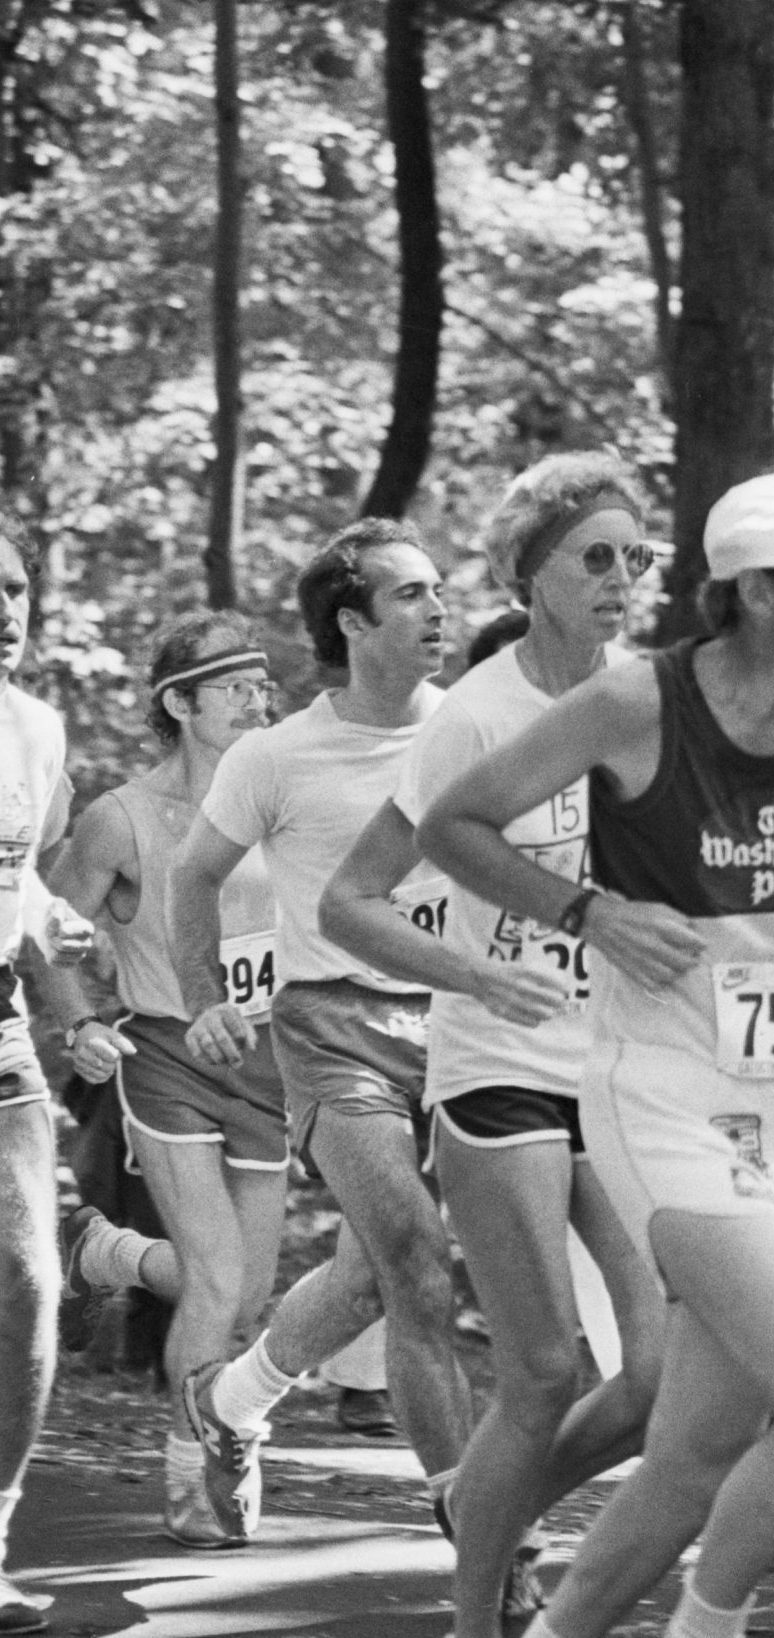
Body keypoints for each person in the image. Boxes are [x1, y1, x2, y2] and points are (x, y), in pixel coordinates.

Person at [417, 471, 774, 1638]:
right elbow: (450, 824)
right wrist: (588, 912)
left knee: (696, 1451)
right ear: (762, 593)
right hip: (663, 1104)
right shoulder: (636, 705)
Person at [319, 455, 670, 1638]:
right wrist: (474, 971)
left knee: (665, 1377)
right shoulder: (476, 713)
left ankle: (485, 1495)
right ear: (531, 577)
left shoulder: (649, 699)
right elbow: (351, 902)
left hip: (623, 1070)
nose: (625, 579)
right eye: (598, 558)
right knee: (546, 1371)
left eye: (639, 557)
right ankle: (479, 1623)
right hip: (500, 1068)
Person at [166, 518, 473, 1550]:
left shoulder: (478, 726)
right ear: (352, 623)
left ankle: (228, 1405)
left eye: (440, 590)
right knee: (419, 1263)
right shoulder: (276, 754)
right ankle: (478, 1521)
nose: (440, 610)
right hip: (336, 1029)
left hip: (468, 1022)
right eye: (412, 596)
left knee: (365, 1276)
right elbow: (193, 875)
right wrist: (206, 995)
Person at [46, 614, 292, 1547]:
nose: (253, 701)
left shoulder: (280, 796)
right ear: (178, 704)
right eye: (230, 686)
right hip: (167, 1057)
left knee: (250, 1287)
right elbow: (48, 932)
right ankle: (199, 1472)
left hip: (269, 1064)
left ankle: (109, 1257)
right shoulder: (123, 818)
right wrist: (77, 1024)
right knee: (220, 1278)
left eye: (259, 685)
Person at [0, 525, 81, 1631]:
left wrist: (71, 1005)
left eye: (14, 588)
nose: (6, 605)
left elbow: (21, 887)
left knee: (28, 1284)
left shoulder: (37, 731)